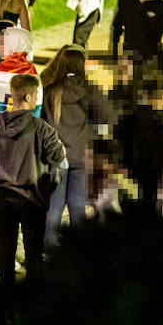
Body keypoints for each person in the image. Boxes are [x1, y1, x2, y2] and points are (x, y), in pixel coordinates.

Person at [0, 74, 67, 291]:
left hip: (2, 196)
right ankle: (32, 300)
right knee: (34, 256)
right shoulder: (41, 128)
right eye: (36, 95)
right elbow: (61, 160)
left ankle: (7, 300)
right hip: (32, 199)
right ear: (28, 97)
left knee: (4, 254)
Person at [40, 45, 111, 247]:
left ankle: (49, 249)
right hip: (81, 155)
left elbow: (41, 122)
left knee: (54, 208)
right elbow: (106, 118)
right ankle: (78, 250)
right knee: (78, 207)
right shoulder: (90, 90)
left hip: (56, 158)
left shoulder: (50, 90)